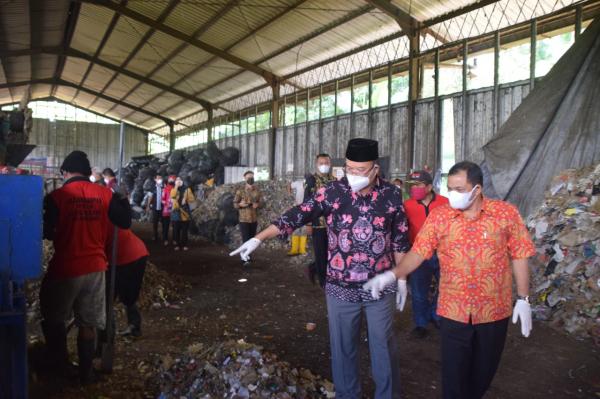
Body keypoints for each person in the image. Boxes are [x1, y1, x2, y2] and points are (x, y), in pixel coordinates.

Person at [231, 139, 409, 398]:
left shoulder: (392, 194)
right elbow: (298, 213)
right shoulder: (333, 191)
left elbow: (400, 238)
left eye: (360, 170)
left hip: (380, 285)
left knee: (383, 346)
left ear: (375, 169)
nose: (353, 175)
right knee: (343, 348)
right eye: (349, 168)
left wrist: (401, 276)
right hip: (340, 286)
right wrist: (260, 237)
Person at [363, 161, 535, 399]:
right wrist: (395, 274)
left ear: (478, 189)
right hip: (454, 309)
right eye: (450, 188)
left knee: (483, 373)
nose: (453, 195)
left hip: (493, 310)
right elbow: (419, 251)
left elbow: (520, 254)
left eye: (459, 189)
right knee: (453, 376)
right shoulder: (440, 216)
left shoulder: (505, 214)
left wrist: (524, 299)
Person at [41, 151, 131, 384]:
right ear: (87, 171)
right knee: (88, 322)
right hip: (96, 267)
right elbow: (125, 222)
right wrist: (122, 199)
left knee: (54, 319)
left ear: (65, 172)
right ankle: (86, 372)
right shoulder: (104, 194)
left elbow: (47, 233)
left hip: (66, 267)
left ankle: (60, 368)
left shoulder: (57, 197)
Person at [403, 170, 449, 338]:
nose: (414, 189)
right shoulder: (407, 205)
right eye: (412, 186)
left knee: (445, 288)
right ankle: (421, 324)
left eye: (418, 185)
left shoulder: (446, 203)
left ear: (429, 187)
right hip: (418, 254)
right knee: (418, 291)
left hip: (443, 253)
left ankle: (436, 315)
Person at [105, 228, 148, 337]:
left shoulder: (103, 223)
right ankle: (134, 326)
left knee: (109, 296)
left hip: (126, 257)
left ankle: (108, 333)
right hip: (137, 253)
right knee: (127, 295)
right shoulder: (110, 219)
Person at [303, 153, 336, 287]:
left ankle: (312, 268)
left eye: (326, 163)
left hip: (333, 225)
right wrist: (309, 223)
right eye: (321, 163)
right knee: (321, 253)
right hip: (318, 223)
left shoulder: (334, 181)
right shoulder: (311, 181)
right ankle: (324, 282)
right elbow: (306, 204)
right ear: (317, 164)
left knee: (331, 253)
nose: (324, 165)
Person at [233, 171, 262, 265]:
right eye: (249, 177)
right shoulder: (240, 191)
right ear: (244, 178)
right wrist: (240, 205)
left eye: (252, 177)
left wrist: (257, 205)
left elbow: (262, 203)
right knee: (245, 239)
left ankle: (248, 256)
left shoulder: (257, 191)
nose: (251, 179)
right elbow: (235, 204)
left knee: (252, 240)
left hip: (253, 219)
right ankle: (244, 259)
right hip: (244, 219)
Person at [170, 176, 195, 251]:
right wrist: (176, 187)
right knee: (176, 229)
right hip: (176, 212)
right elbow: (173, 196)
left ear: (182, 181)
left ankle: (184, 245)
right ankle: (177, 244)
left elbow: (192, 200)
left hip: (185, 212)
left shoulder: (187, 190)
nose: (178, 181)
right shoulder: (173, 190)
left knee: (184, 230)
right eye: (177, 180)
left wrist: (186, 200)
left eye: (180, 179)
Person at [287, 179, 308, 257]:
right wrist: (290, 196)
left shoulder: (312, 184)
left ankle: (302, 249)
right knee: (295, 228)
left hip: (307, 209)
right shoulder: (298, 183)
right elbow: (289, 185)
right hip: (297, 208)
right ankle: (294, 249)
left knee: (304, 229)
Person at [149, 175, 166, 242]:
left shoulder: (164, 187)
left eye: (160, 178)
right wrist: (148, 205)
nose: (159, 179)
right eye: (158, 178)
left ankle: (164, 236)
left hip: (163, 207)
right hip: (155, 207)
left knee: (164, 222)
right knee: (155, 223)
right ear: (155, 179)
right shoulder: (153, 188)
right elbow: (150, 197)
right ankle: (155, 235)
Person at [161, 175, 176, 246]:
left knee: (175, 226)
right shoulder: (165, 189)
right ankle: (165, 239)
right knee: (166, 226)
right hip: (166, 210)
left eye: (172, 180)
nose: (171, 181)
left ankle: (175, 239)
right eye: (170, 180)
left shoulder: (176, 189)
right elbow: (162, 199)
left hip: (174, 209)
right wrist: (167, 204)